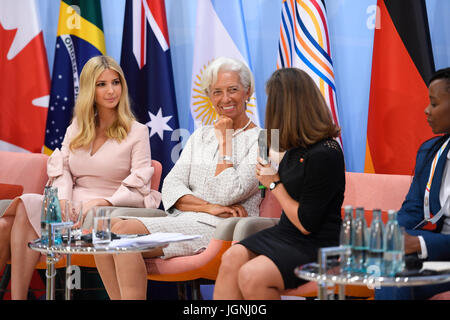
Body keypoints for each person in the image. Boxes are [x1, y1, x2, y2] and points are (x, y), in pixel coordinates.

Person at [94, 56, 261, 300]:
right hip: (184, 220)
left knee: (122, 235)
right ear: (209, 96)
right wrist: (209, 206)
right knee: (106, 233)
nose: (225, 99)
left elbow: (229, 193)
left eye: (233, 90)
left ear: (248, 91)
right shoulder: (201, 135)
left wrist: (225, 142)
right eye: (217, 92)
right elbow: (171, 185)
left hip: (223, 231)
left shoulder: (267, 141)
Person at [0, 55, 161, 299]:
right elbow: (62, 168)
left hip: (109, 205)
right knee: (28, 203)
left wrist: (105, 202)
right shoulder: (76, 127)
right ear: (89, 90)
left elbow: (140, 182)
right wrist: (63, 199)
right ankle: (18, 297)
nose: (111, 91)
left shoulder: (137, 132)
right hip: (72, 200)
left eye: (115, 83)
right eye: (102, 84)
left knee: (26, 215)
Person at [213, 67, 345, 300]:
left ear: (287, 107)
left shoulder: (326, 153)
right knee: (232, 258)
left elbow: (306, 224)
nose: (268, 109)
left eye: (272, 101)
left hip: (318, 244)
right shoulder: (294, 147)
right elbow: (269, 148)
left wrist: (274, 184)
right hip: (285, 234)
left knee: (252, 275)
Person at [375, 67, 450, 300]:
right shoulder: (430, 152)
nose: (427, 111)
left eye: (435, 104)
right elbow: (413, 209)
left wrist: (418, 242)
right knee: (388, 270)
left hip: (434, 249)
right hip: (435, 256)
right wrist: (388, 234)